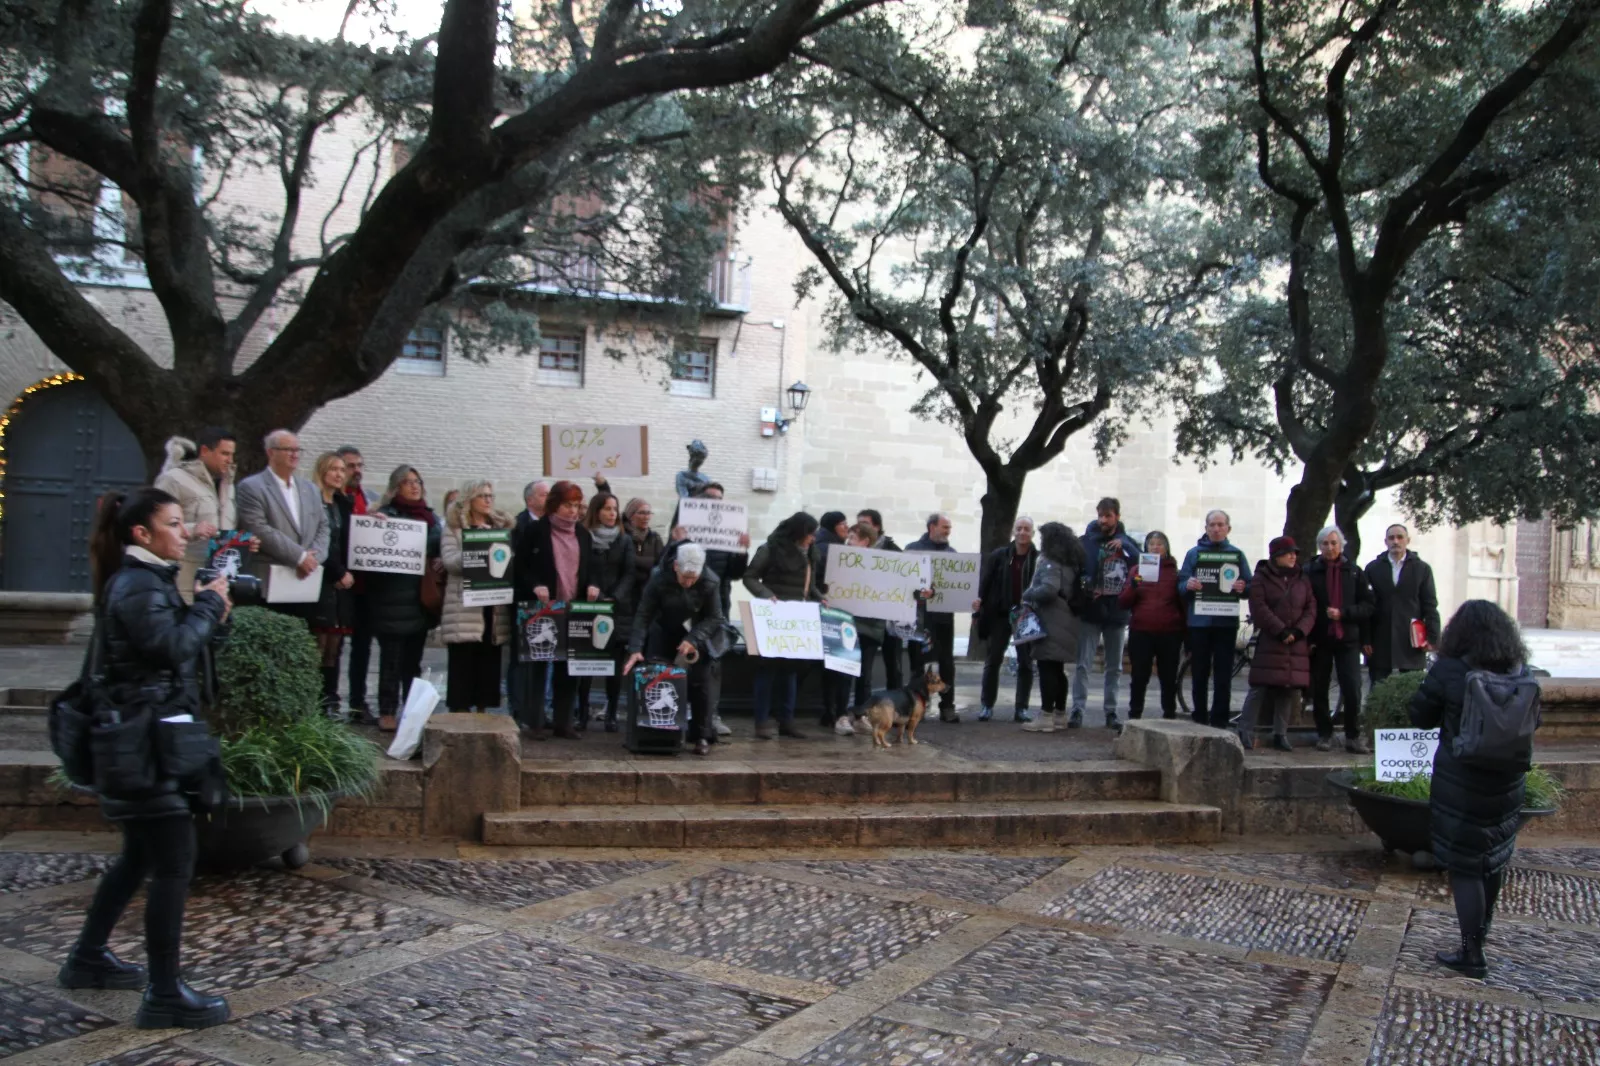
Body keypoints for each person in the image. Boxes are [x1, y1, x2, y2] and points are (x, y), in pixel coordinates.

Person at [64, 486, 231, 1030]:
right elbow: (170, 647)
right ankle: (164, 993)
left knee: (138, 856)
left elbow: (175, 652)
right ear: (142, 533)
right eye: (176, 523)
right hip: (143, 744)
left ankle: (87, 959)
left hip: (145, 738)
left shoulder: (143, 579)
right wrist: (209, 603)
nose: (186, 533)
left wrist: (208, 610)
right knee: (174, 862)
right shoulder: (137, 583)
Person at [1409, 599, 1540, 979]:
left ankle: (1472, 952)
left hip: (1460, 781)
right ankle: (1478, 942)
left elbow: (1420, 718)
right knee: (1493, 859)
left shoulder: (1450, 669)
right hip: (1507, 781)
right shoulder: (1520, 669)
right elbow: (1535, 719)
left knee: (1465, 866)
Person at [512, 480, 600, 739]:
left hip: (573, 607)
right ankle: (536, 721)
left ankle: (564, 722)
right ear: (554, 506)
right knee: (538, 665)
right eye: (567, 505)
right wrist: (535, 585)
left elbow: (592, 567)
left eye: (576, 505)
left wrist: (594, 585)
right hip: (544, 609)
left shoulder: (583, 534)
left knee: (568, 666)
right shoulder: (536, 531)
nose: (573, 511)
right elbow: (520, 568)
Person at [624, 543, 725, 755]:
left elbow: (715, 617)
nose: (688, 583)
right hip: (665, 630)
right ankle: (658, 733)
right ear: (676, 566)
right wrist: (635, 648)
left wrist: (693, 639)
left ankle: (702, 735)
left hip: (697, 634)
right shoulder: (659, 578)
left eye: (693, 578)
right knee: (660, 679)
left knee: (701, 684)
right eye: (684, 577)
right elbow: (644, 614)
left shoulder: (710, 581)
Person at [366, 465, 444, 729]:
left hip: (418, 600)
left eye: (417, 481)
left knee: (413, 662)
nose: (414, 486)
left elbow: (438, 548)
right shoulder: (384, 516)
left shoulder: (431, 520)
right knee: (390, 660)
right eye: (407, 482)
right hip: (390, 598)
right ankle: (387, 710)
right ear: (396, 487)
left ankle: (412, 712)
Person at [233, 429, 329, 617]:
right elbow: (259, 528)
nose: (294, 454)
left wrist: (313, 559)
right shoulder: (252, 487)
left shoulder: (310, 489)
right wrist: (300, 557)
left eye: (298, 450)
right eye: (288, 449)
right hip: (269, 581)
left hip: (305, 580)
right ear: (270, 452)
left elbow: (323, 526)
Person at [744, 512, 820, 739]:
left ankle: (786, 720)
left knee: (790, 672)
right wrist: (767, 596)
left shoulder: (811, 553)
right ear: (798, 532)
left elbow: (809, 585)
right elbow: (750, 577)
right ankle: (761, 721)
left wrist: (819, 597)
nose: (813, 538)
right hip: (773, 617)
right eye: (809, 533)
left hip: (798, 618)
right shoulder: (770, 548)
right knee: (767, 670)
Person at [441, 481, 512, 712]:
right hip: (464, 605)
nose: (488, 500)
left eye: (491, 495)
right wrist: (475, 545)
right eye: (482, 496)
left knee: (488, 660)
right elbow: (450, 562)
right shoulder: (454, 528)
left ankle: (483, 711)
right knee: (463, 660)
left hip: (493, 605)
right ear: (469, 500)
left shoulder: (501, 527)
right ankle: (459, 713)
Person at [154, 427, 248, 603]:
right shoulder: (173, 479)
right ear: (204, 451)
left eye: (232, 455)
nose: (230, 460)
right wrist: (193, 529)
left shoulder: (229, 485)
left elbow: (226, 528)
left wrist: (244, 543)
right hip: (182, 577)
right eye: (225, 454)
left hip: (218, 579)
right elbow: (155, 523)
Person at [1178, 510, 1251, 729]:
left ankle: (1220, 720)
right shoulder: (1194, 554)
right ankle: (1199, 717)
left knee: (1223, 675)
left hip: (1226, 624)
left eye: (1221, 524)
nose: (1216, 529)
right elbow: (1180, 586)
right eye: (1212, 525)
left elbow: (1250, 585)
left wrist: (1243, 587)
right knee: (1199, 672)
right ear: (1206, 528)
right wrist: (1187, 586)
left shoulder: (1237, 555)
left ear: (1228, 528)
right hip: (1199, 623)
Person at [1240, 537, 1314, 751]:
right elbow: (1259, 607)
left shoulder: (1302, 578)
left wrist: (1299, 631)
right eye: (1288, 552)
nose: (1293, 556)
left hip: (1295, 643)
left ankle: (1280, 733)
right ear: (1276, 556)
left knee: (1287, 689)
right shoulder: (1261, 578)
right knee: (1260, 687)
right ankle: (1245, 730)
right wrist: (1280, 630)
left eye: (1295, 553)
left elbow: (1311, 608)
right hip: (1272, 640)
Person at [1306, 525, 1376, 753]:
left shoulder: (1354, 572)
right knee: (1319, 689)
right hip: (1320, 639)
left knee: (1352, 688)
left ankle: (1352, 735)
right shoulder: (1310, 571)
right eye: (1325, 544)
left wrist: (1344, 614)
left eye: (1334, 543)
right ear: (1319, 546)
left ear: (1341, 545)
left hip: (1348, 640)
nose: (1329, 547)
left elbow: (1368, 606)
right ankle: (1324, 734)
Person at [1073, 498, 1139, 730]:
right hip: (1090, 611)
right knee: (1083, 664)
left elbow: (1143, 566)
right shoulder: (1085, 543)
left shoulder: (1128, 543)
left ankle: (1111, 712)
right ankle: (1077, 710)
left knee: (1115, 667)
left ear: (1117, 517)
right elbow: (1076, 571)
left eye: (1108, 516)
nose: (1103, 520)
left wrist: (1126, 548)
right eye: (1100, 515)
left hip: (1117, 613)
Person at [1019, 521, 1086, 733]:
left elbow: (1048, 589)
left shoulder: (1050, 562)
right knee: (1058, 670)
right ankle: (1060, 715)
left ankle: (1046, 717)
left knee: (1047, 667)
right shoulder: (1071, 562)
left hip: (1051, 621)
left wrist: (1027, 594)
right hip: (1068, 620)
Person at [976, 516, 1038, 723]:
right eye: (1019, 528)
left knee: (1026, 663)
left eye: (1026, 529)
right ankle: (986, 705)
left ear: (1032, 533)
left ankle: (1021, 708)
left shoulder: (1037, 558)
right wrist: (980, 603)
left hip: (1025, 616)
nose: (1022, 532)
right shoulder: (1000, 556)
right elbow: (985, 582)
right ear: (1013, 532)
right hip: (1000, 615)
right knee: (993, 660)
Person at [1119, 530, 1185, 721]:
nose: (1155, 547)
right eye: (1151, 544)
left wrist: (1185, 632)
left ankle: (1169, 714)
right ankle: (1135, 715)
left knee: (1168, 677)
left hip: (1170, 632)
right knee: (1139, 676)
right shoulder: (1136, 571)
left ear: (1166, 548)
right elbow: (1123, 602)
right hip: (1142, 630)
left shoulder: (1174, 572)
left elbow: (1182, 603)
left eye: (1160, 544)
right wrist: (1133, 585)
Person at [309, 452, 356, 717]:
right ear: (322, 471)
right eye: (333, 469)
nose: (339, 474)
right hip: (321, 579)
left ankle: (330, 699)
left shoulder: (342, 503)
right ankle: (314, 700)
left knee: (335, 646)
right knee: (319, 642)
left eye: (342, 469)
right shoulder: (313, 502)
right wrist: (336, 572)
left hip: (342, 583)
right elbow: (317, 542)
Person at [1365, 524, 1441, 685]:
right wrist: (1365, 639)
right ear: (1385, 541)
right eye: (1391, 538)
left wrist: (1432, 638)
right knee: (1378, 688)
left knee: (1411, 690)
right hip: (1380, 639)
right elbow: (1366, 606)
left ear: (1408, 540)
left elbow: (1430, 605)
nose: (1396, 541)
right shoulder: (1373, 569)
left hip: (1412, 640)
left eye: (1400, 537)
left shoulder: (1422, 569)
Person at [906, 513, 963, 724]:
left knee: (946, 662)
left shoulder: (952, 554)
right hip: (918, 617)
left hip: (943, 618)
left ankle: (947, 706)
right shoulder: (913, 550)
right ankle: (916, 706)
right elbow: (904, 584)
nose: (948, 531)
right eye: (944, 527)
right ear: (932, 527)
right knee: (917, 663)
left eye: (949, 528)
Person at [582, 490, 631, 731]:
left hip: (616, 608)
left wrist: (615, 596)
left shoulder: (624, 539)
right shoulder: (584, 536)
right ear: (597, 511)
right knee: (586, 662)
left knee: (614, 663)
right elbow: (580, 568)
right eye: (607, 509)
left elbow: (629, 573)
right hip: (589, 605)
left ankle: (612, 712)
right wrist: (593, 590)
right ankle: (581, 711)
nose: (612, 514)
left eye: (614, 509)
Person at [336, 446, 378, 717]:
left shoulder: (370, 499)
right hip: (340, 582)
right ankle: (327, 699)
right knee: (334, 645)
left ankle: (357, 700)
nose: (357, 471)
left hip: (366, 585)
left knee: (363, 646)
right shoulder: (333, 500)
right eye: (351, 466)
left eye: (360, 465)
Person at [840, 522, 888, 730]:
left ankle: (860, 715)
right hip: (848, 624)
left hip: (870, 626)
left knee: (864, 675)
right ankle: (841, 715)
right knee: (843, 673)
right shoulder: (842, 562)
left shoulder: (883, 564)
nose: (848, 542)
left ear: (865, 542)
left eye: (852, 538)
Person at [855, 509, 903, 692]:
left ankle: (894, 707)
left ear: (877, 527)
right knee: (864, 668)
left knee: (894, 666)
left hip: (889, 620)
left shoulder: (893, 550)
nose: (860, 526)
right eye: (858, 523)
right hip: (866, 620)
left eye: (865, 523)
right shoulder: (854, 550)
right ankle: (863, 711)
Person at [812, 511, 850, 729]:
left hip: (822, 610)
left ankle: (829, 711)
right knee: (838, 666)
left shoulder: (820, 544)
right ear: (834, 526)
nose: (846, 528)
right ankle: (836, 712)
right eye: (843, 524)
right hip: (834, 612)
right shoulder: (834, 549)